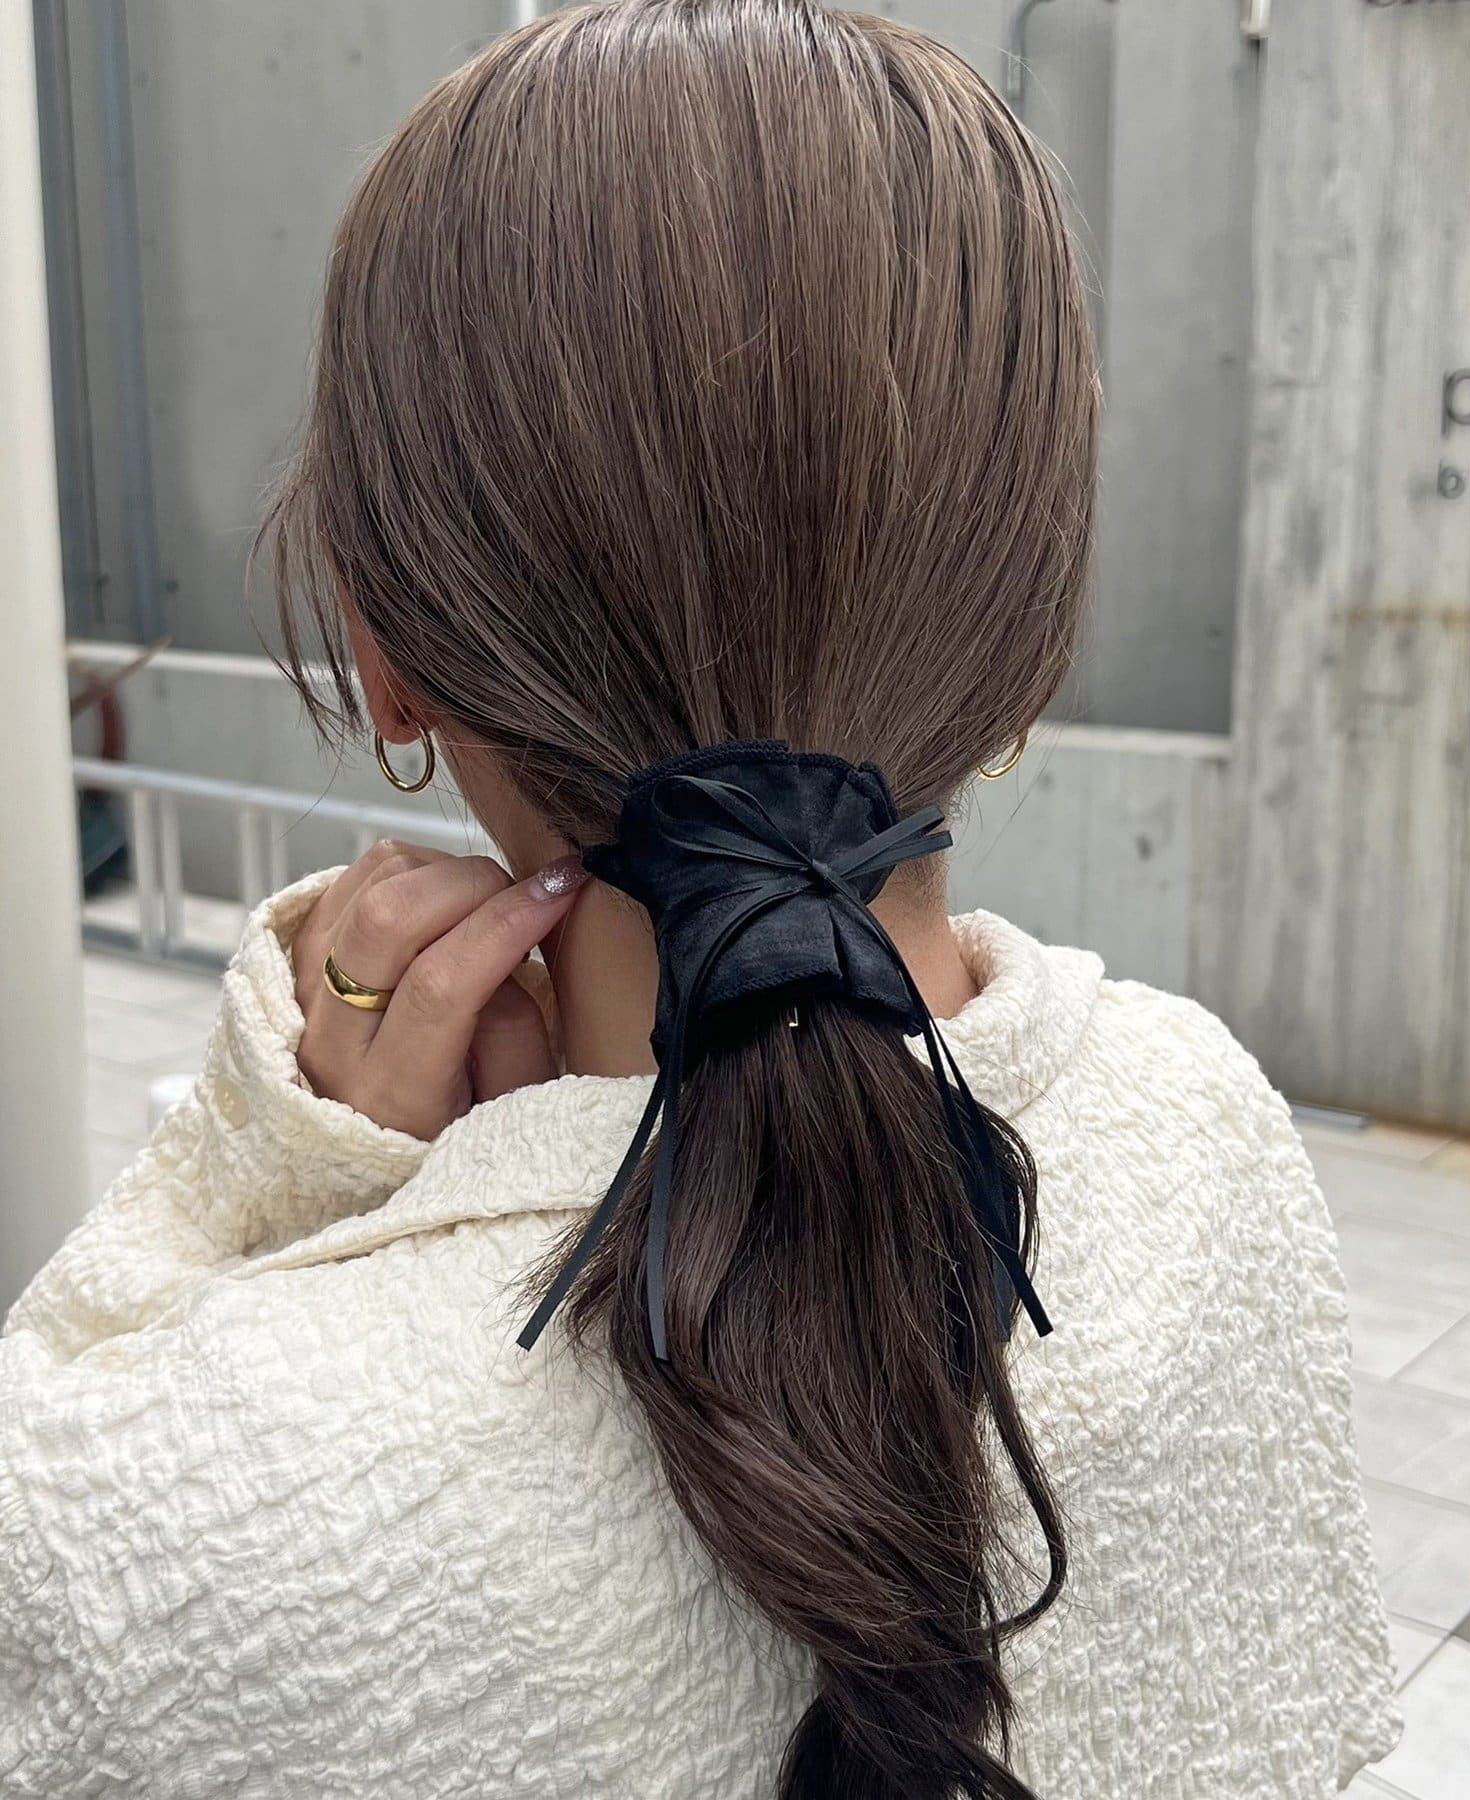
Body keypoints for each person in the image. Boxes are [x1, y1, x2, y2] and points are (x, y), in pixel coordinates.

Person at [0, 2, 1399, 1795]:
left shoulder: (173, 1492)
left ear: (382, 646)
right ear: (1028, 630)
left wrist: (276, 1185)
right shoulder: (1208, 1132)